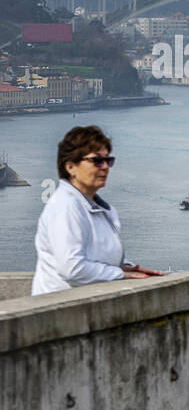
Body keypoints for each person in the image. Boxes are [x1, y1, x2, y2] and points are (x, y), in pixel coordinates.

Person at [32, 126, 161, 295]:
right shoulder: (65, 207)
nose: (105, 167)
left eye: (109, 160)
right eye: (97, 161)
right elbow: (71, 268)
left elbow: (93, 257)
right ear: (71, 167)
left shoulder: (101, 209)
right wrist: (119, 273)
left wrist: (125, 267)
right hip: (58, 310)